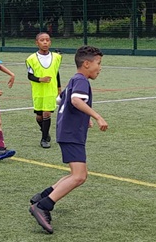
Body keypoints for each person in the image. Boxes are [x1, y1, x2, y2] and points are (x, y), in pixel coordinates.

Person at [28, 45, 109, 234]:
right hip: (72, 134)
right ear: (87, 64)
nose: (100, 67)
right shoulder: (81, 80)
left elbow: (61, 100)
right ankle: (43, 206)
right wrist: (96, 116)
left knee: (75, 173)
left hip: (68, 132)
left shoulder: (75, 79)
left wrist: (83, 116)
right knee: (80, 176)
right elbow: (75, 100)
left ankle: (42, 197)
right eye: (98, 63)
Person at [25, 32, 62, 149]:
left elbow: (56, 73)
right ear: (37, 43)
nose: (45, 42)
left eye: (47, 40)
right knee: (39, 117)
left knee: (47, 113)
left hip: (51, 91)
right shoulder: (31, 59)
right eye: (42, 40)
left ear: (50, 42)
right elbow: (30, 76)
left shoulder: (57, 57)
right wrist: (40, 79)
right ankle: (44, 130)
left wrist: (59, 88)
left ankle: (44, 138)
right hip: (38, 91)